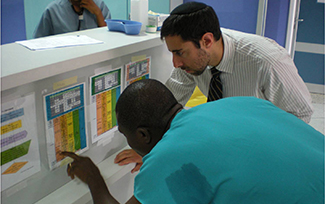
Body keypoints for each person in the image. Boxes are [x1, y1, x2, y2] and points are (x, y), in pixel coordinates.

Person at [115, 1, 314, 172]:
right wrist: (151, 149)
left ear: (207, 40)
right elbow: (165, 108)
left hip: (264, 154)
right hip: (225, 146)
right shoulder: (193, 63)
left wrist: (261, 151)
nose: (175, 63)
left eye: (180, 53)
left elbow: (301, 114)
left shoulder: (266, 61)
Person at [62, 79, 324, 204]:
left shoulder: (170, 159)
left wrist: (94, 179)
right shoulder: (238, 103)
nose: (128, 142)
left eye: (125, 134)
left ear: (142, 135)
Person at [33, 0, 111, 38]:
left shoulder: (99, 5)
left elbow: (108, 37)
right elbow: (39, 40)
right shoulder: (53, 10)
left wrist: (98, 13)